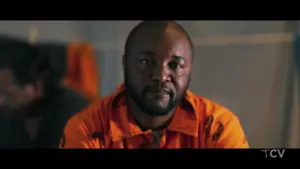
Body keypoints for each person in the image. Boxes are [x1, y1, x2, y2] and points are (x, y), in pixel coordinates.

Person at [60, 21, 249, 148]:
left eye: (174, 65)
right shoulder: (88, 128)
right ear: (125, 64)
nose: (160, 76)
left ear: (190, 70)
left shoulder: (217, 127)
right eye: (146, 62)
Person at [0, 35, 89, 148]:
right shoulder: (9, 115)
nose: (0, 101)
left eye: (5, 94)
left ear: (37, 86)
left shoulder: (75, 118)